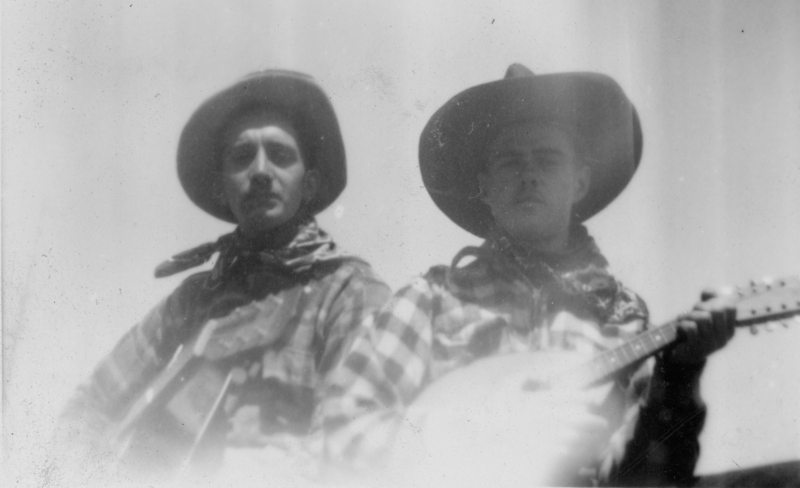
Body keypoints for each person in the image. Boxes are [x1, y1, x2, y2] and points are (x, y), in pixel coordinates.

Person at [320, 64, 736, 487]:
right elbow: (342, 434)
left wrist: (680, 375)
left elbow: (648, 479)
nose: (529, 175)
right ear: (484, 186)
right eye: (510, 162)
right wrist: (486, 433)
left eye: (547, 159)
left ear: (579, 182)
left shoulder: (620, 316)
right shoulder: (430, 300)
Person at [53, 70, 392, 486]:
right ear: (221, 189)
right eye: (242, 156)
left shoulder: (348, 290)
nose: (261, 171)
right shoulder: (194, 298)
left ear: (310, 183)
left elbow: (351, 444)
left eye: (281, 156)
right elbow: (92, 403)